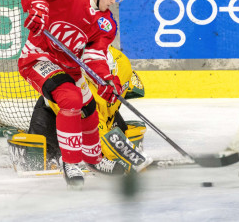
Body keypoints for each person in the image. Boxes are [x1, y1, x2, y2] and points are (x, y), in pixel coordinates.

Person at [13, 0, 127, 188]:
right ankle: (71, 163)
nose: (113, 1)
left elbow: (93, 56)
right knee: (71, 98)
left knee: (89, 108)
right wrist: (33, 3)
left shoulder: (106, 24)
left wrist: (104, 80)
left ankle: (94, 160)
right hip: (39, 58)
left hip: (70, 67)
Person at [26, 46, 150, 175]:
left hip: (101, 116)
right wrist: (133, 160)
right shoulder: (73, 81)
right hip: (53, 118)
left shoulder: (121, 63)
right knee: (41, 159)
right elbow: (93, 124)